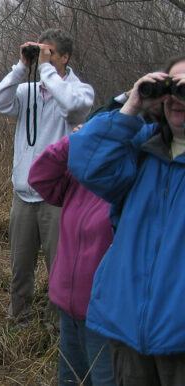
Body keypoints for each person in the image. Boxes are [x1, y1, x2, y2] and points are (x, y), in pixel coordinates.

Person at [68, 55, 185, 385]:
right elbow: (86, 164)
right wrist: (132, 104)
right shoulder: (140, 146)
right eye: (171, 87)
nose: (177, 97)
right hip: (128, 326)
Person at [0, 28, 94, 325]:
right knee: (20, 264)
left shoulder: (79, 92)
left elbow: (73, 107)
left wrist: (46, 69)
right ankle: (19, 317)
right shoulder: (28, 91)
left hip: (58, 197)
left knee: (59, 265)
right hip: (23, 193)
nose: (43, 57)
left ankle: (57, 324)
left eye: (50, 53)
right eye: (41, 52)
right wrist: (22, 67)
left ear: (64, 57)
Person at [28, 129, 115, 386]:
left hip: (105, 314)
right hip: (68, 306)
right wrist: (73, 142)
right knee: (70, 380)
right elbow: (39, 176)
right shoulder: (80, 177)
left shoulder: (129, 182)